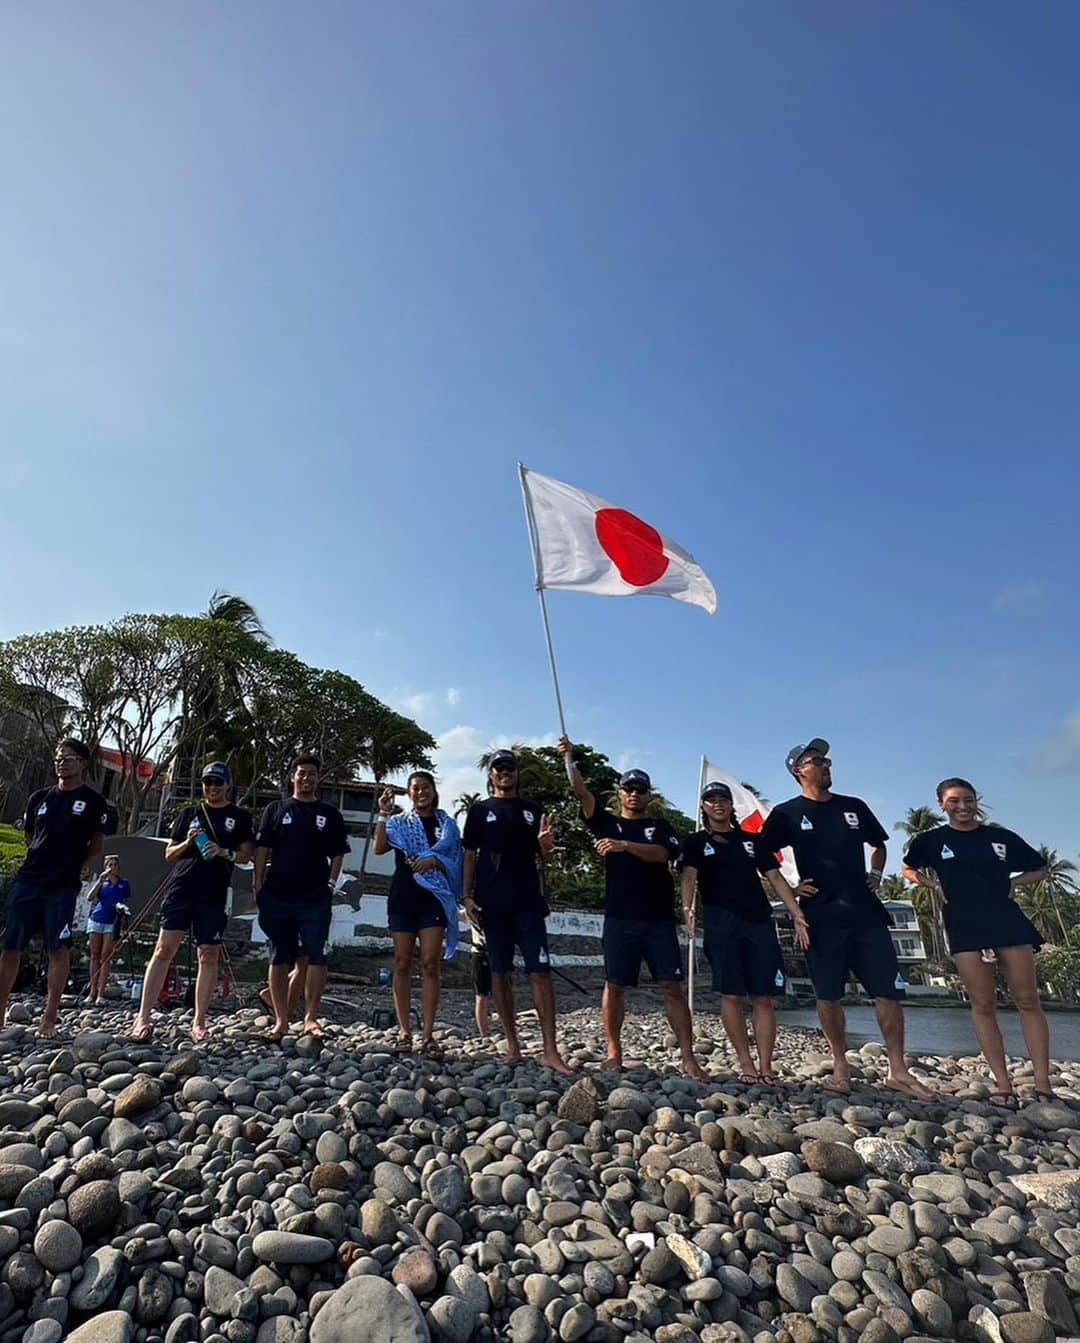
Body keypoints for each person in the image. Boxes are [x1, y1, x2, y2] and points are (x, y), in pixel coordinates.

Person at [758, 738, 934, 1099]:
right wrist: (792, 890)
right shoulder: (787, 813)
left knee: (888, 992)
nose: (825, 765)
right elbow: (762, 857)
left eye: (827, 759)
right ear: (798, 770)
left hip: (866, 914)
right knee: (828, 994)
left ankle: (897, 1070)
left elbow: (880, 844)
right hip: (821, 917)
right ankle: (840, 1064)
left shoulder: (853, 807)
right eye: (816, 760)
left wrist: (876, 874)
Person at [560, 736, 706, 1080]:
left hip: (657, 919)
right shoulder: (606, 823)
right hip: (619, 918)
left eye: (640, 789)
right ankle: (614, 1052)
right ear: (620, 792)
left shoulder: (663, 827)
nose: (634, 794)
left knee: (671, 987)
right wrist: (570, 759)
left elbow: (662, 855)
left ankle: (688, 1057)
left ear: (648, 795)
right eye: (629, 788)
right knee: (615, 985)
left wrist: (625, 845)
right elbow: (582, 793)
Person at [902, 778, 1053, 1106]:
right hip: (965, 927)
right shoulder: (931, 840)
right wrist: (931, 884)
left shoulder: (1000, 837)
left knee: (1028, 999)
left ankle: (1043, 1084)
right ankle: (1003, 1085)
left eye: (968, 800)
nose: (963, 807)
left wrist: (1016, 884)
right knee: (983, 1005)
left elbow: (1041, 868)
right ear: (942, 805)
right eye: (954, 801)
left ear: (977, 801)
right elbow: (908, 868)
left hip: (1007, 923)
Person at [681, 781, 811, 1083]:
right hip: (720, 923)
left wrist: (797, 912)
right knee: (732, 996)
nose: (718, 804)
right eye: (711, 800)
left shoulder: (753, 841)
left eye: (722, 799)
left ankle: (766, 1067)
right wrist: (687, 907)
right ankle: (746, 1065)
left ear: (730, 804)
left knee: (763, 997)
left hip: (758, 921)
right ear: (703, 807)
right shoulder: (697, 842)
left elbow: (775, 877)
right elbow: (688, 876)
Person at [462, 749, 571, 1074]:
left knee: (540, 973)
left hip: (528, 903)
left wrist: (547, 845)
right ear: (491, 774)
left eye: (510, 767)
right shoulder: (480, 810)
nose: (505, 772)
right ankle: (513, 1046)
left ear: (517, 773)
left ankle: (550, 1050)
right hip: (491, 904)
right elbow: (469, 853)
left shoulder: (532, 810)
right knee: (499, 973)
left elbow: (544, 855)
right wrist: (466, 896)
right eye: (499, 768)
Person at [131, 761, 254, 1044]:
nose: (212, 788)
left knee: (208, 955)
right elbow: (169, 854)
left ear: (227, 785)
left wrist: (223, 851)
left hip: (213, 893)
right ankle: (143, 1017)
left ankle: (199, 1021)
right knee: (164, 949)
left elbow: (246, 854)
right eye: (207, 782)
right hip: (181, 888)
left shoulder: (239, 816)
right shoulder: (189, 813)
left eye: (217, 783)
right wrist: (188, 843)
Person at [0, 739, 108, 1037]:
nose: (62, 762)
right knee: (10, 946)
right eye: (59, 758)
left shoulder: (94, 802)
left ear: (83, 764)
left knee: (57, 948)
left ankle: (49, 1017)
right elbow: (30, 836)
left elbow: (96, 845)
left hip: (62, 885)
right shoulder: (39, 798)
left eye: (69, 758)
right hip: (29, 879)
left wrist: (74, 866)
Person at [254, 755, 349, 1040]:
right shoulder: (276, 809)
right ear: (292, 777)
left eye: (312, 774)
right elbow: (262, 848)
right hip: (277, 894)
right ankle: (281, 1021)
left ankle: (310, 1018)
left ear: (318, 778)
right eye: (301, 773)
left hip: (315, 896)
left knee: (316, 955)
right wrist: (258, 882)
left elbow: (338, 852)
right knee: (278, 956)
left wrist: (331, 883)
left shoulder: (329, 813)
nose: (306, 778)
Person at [373, 770, 462, 1057]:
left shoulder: (447, 826)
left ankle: (427, 1035)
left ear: (434, 791)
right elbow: (378, 848)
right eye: (415, 789)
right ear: (409, 794)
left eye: (426, 787)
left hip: (433, 898)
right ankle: (403, 1031)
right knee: (401, 962)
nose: (421, 792)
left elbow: (455, 859)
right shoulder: (398, 823)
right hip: (403, 897)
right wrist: (383, 814)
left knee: (430, 963)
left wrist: (435, 860)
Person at [84, 853, 131, 1003]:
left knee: (106, 956)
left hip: (112, 921)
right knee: (94, 955)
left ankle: (101, 993)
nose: (112, 868)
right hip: (97, 919)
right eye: (109, 865)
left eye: (115, 865)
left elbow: (126, 900)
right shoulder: (102, 883)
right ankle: (92, 991)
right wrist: (100, 881)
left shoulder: (123, 883)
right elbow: (89, 897)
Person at [471, 922, 493, 1039]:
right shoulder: (470, 913)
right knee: (481, 996)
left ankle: (510, 1031)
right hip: (479, 954)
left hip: (497, 953)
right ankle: (484, 1034)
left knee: (504, 993)